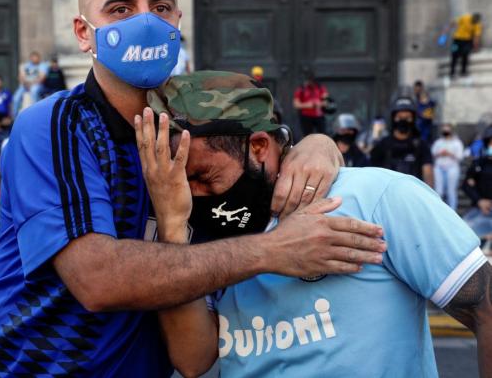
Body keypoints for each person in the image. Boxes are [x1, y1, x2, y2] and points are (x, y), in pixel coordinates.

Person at [0, 0, 386, 377]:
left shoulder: (199, 127)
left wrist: (315, 142)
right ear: (84, 33)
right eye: (121, 9)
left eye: (160, 7)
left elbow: (195, 358)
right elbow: (98, 280)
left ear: (178, 21)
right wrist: (273, 251)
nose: (146, 22)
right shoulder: (56, 125)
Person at [138, 71, 492, 378]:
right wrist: (171, 227)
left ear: (260, 146)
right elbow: (193, 359)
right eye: (184, 184)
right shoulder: (197, 229)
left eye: (205, 176)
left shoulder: (378, 197)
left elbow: (485, 308)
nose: (197, 196)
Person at [370, 97, 434, 187]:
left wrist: (429, 196)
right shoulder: (382, 145)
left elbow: (428, 173)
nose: (403, 120)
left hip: (413, 194)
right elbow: (372, 174)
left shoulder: (421, 145)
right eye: (399, 117)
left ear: (413, 119)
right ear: (393, 118)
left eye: (408, 117)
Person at [463, 126, 492, 240]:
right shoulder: (478, 164)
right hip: (480, 209)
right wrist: (480, 200)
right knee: (465, 230)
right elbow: (466, 185)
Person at [432, 123, 464, 210]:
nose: (445, 132)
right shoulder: (438, 142)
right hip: (439, 167)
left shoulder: (457, 143)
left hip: (452, 168)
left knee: (451, 191)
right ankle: (438, 210)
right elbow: (433, 153)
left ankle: (453, 211)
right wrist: (440, 153)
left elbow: (460, 157)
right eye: (444, 130)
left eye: (447, 130)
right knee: (438, 191)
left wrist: (450, 154)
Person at [447, 12, 483, 78]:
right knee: (454, 55)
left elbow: (476, 37)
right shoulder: (465, 17)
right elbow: (455, 22)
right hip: (456, 40)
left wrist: (475, 46)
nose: (474, 22)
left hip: (467, 41)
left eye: (476, 21)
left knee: (465, 54)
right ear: (472, 17)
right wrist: (449, 26)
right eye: (474, 20)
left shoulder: (477, 25)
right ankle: (452, 73)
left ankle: (463, 71)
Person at [293, 70, 328, 136]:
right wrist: (308, 105)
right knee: (307, 136)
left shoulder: (320, 88)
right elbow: (296, 104)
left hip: (319, 115)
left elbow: (326, 101)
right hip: (306, 116)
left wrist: (319, 104)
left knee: (322, 135)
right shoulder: (301, 89)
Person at [14, 51, 48, 115]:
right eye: (33, 57)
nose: (34, 59)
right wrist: (25, 83)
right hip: (25, 85)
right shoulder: (26, 65)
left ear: (39, 58)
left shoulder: (43, 65)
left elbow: (42, 78)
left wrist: (31, 83)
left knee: (34, 90)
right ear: (30, 58)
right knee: (16, 97)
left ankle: (36, 112)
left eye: (36, 57)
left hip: (37, 85)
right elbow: (21, 76)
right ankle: (15, 118)